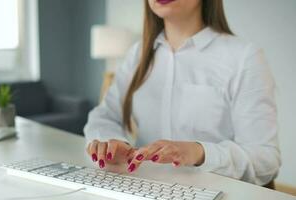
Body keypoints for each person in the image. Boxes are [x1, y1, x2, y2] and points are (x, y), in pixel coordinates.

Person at [84, 0, 281, 186]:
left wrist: (198, 152)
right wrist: (112, 143)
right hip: (144, 188)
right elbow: (104, 116)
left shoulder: (244, 57)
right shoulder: (138, 53)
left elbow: (265, 159)